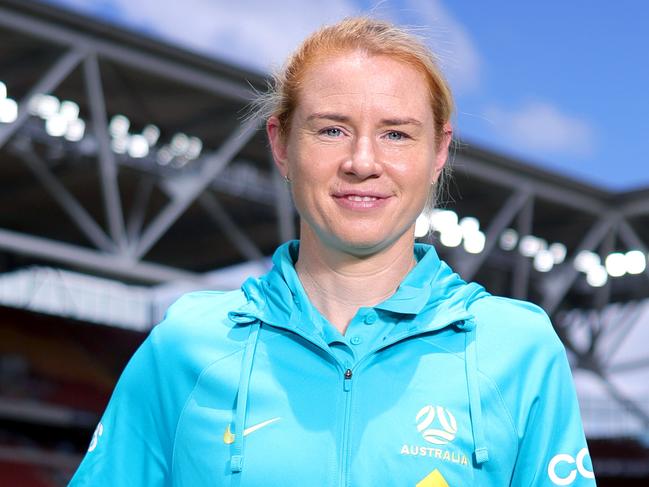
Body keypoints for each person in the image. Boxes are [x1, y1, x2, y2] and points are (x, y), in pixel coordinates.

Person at [70, 17, 596, 487]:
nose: (362, 161)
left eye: (395, 133)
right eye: (332, 129)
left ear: (438, 150)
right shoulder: (186, 345)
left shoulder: (517, 349)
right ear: (281, 143)